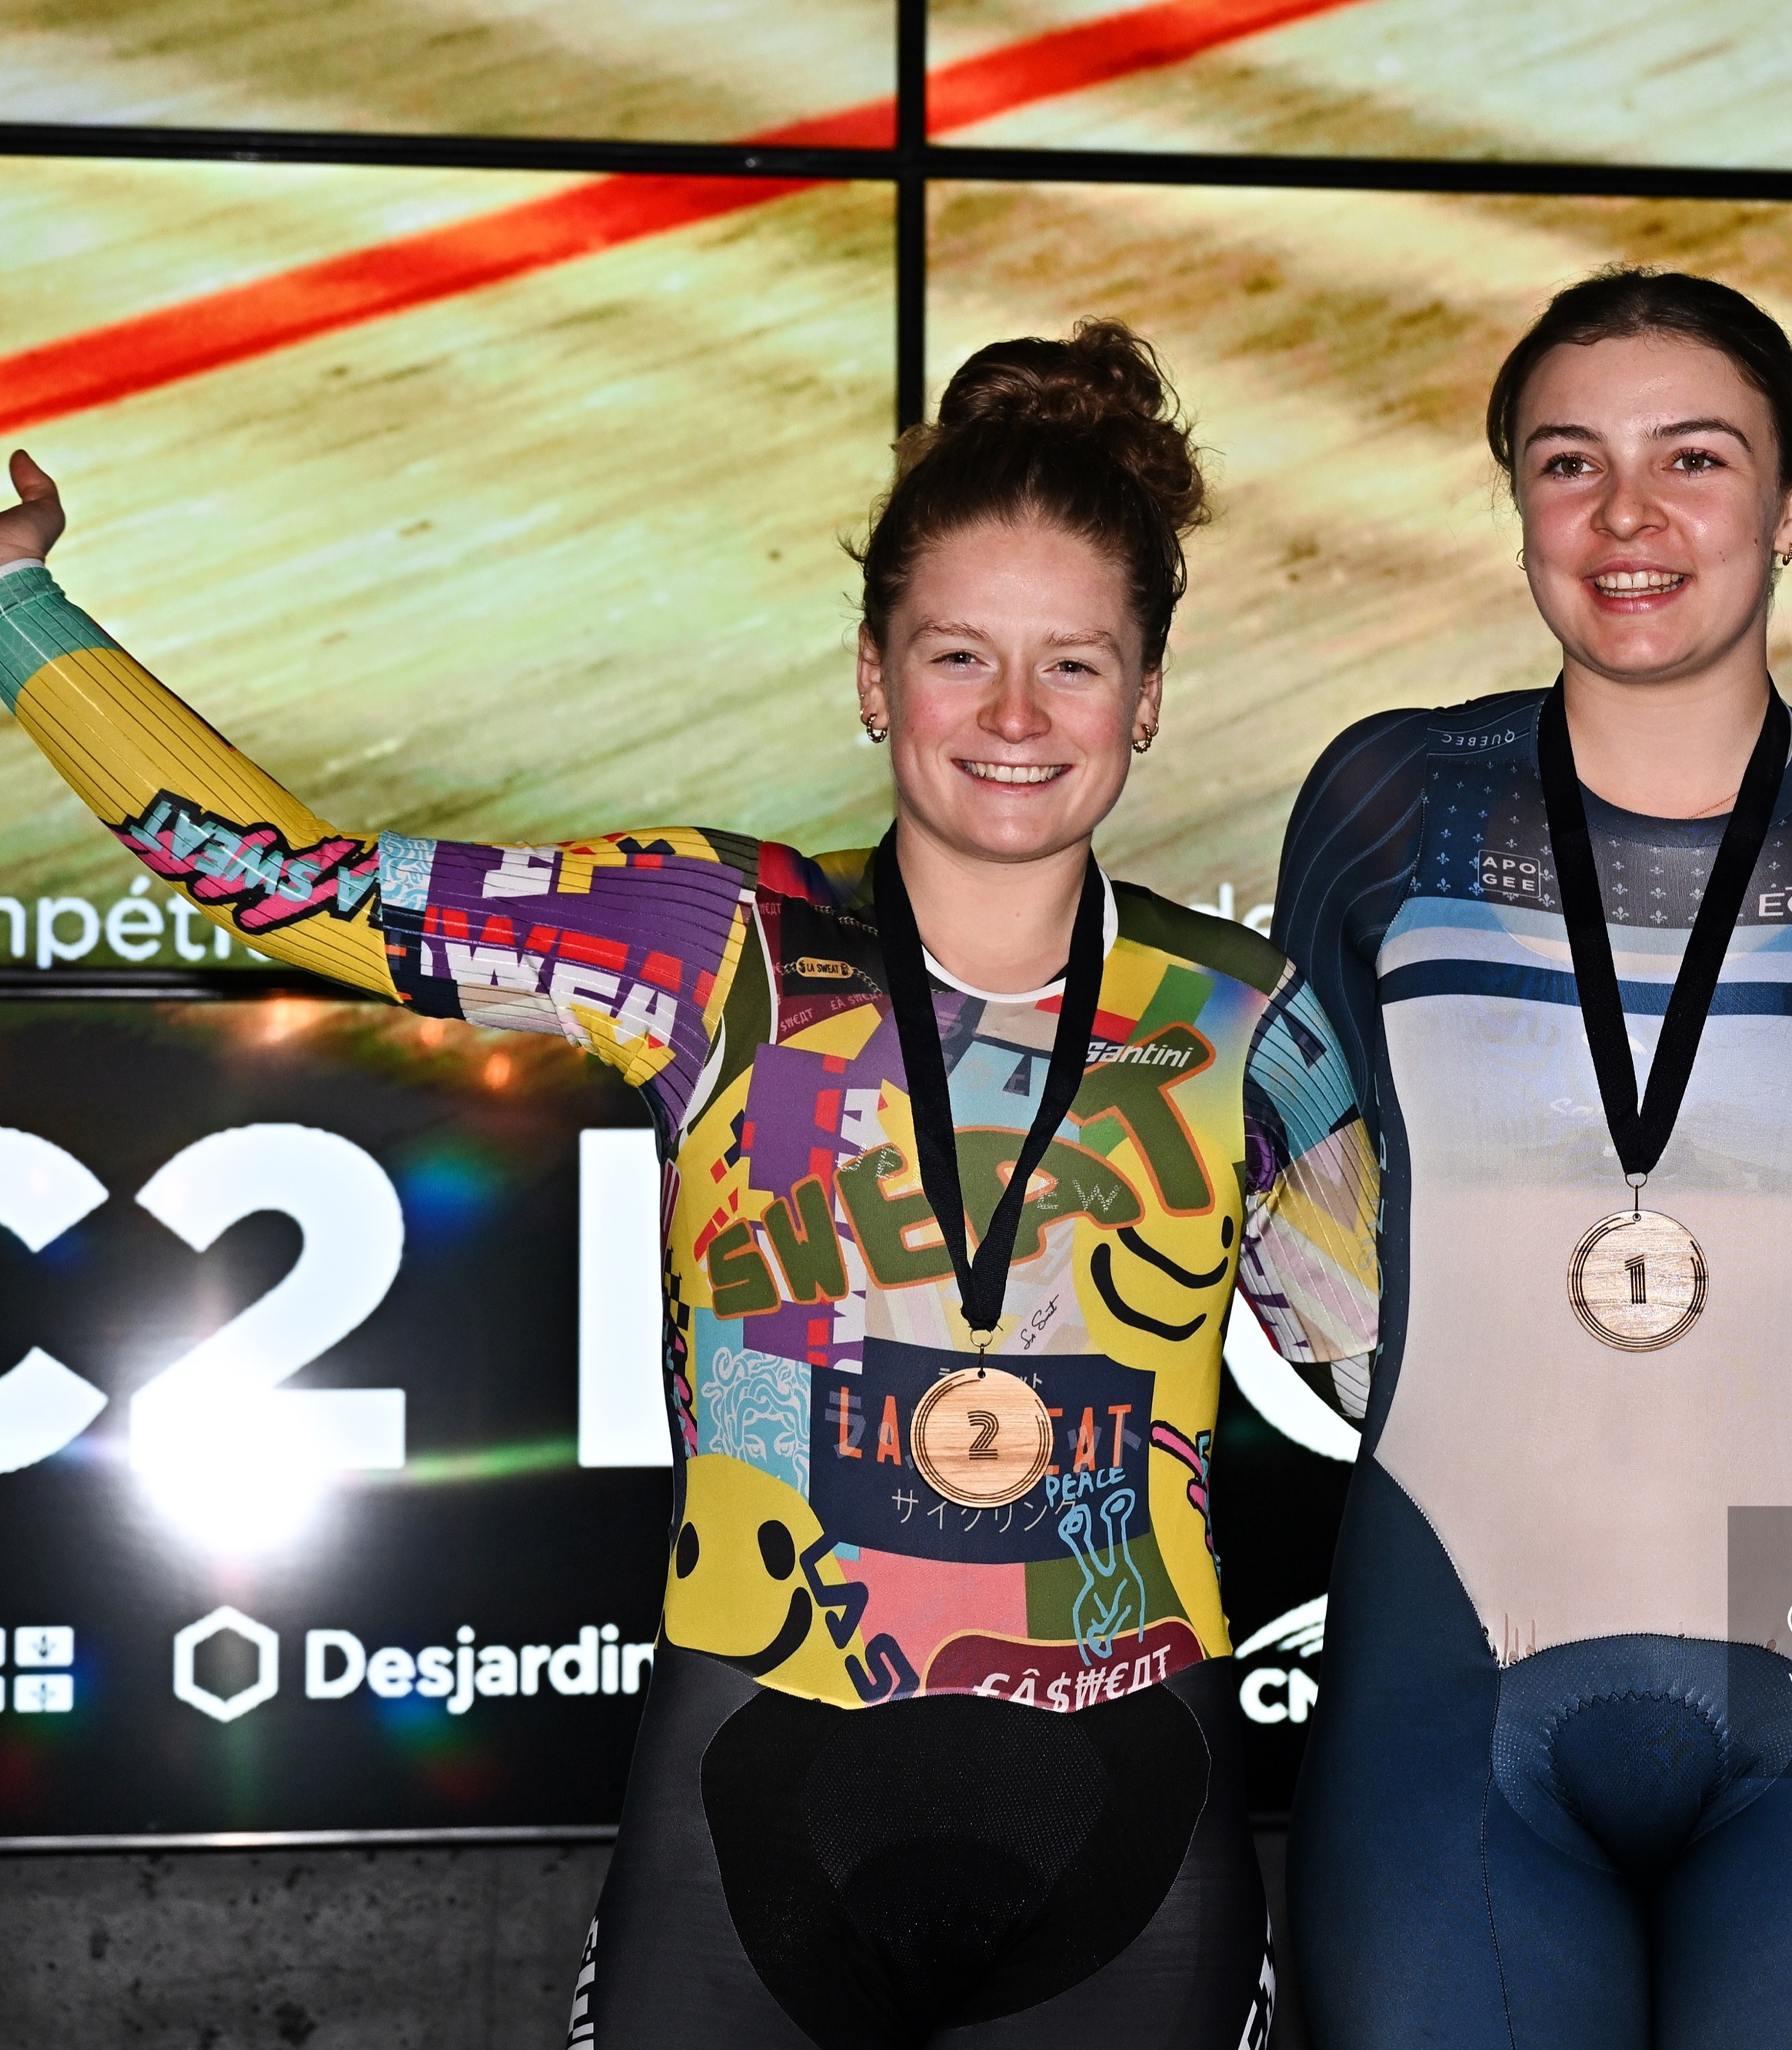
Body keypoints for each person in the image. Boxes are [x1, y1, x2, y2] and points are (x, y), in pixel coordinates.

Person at [0, 322, 1377, 2050]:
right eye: (957, 656)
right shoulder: (714, 938)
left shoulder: (1249, 1021)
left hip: (1134, 1814)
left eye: (1074, 666)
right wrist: (15, 608)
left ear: (1148, 698)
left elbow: (1400, 1379)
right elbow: (302, 886)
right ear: (873, 676)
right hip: (755, 1788)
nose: (1013, 719)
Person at [1271, 269, 1792, 2050]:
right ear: (1517, 508)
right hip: (1445, 1671)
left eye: (1691, 459)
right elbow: (1288, 1191)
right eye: (1568, 464)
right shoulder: (1392, 801)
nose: (1625, 517)